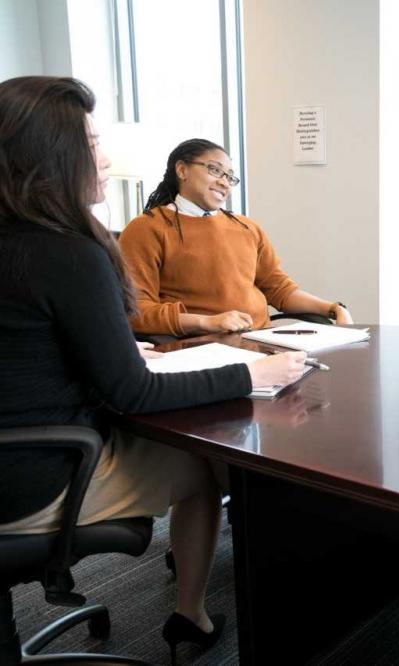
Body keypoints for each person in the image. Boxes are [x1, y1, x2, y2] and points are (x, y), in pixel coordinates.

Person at [0, 76, 306, 664]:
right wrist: (252, 377)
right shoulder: (69, 249)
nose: (106, 157)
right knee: (204, 467)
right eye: (91, 143)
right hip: (28, 480)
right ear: (51, 155)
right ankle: (189, 612)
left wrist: (117, 351)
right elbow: (132, 394)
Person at [118, 138, 352, 337]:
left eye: (230, 177)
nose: (224, 182)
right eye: (215, 170)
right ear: (182, 170)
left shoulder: (246, 227)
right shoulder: (146, 229)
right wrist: (206, 322)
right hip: (198, 348)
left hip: (262, 343)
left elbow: (279, 289)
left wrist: (333, 308)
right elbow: (136, 311)